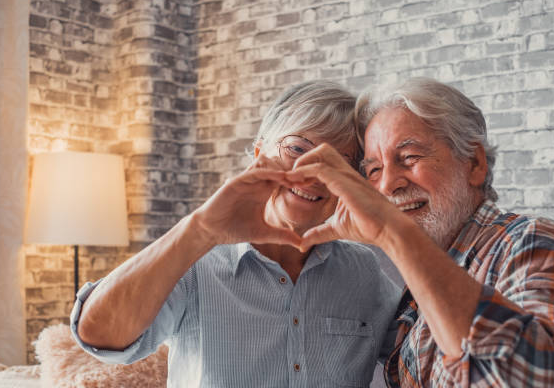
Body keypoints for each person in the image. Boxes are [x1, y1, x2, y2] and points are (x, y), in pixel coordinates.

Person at [70, 80, 401, 387]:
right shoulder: (196, 259)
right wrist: (199, 229)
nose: (312, 175)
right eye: (297, 149)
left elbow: (430, 357)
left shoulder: (365, 270)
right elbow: (99, 335)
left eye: (338, 164)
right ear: (259, 154)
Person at [286, 77, 554, 386]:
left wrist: (396, 237)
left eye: (409, 157)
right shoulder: (419, 283)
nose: (387, 184)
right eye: (374, 170)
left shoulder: (532, 243)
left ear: (474, 164)